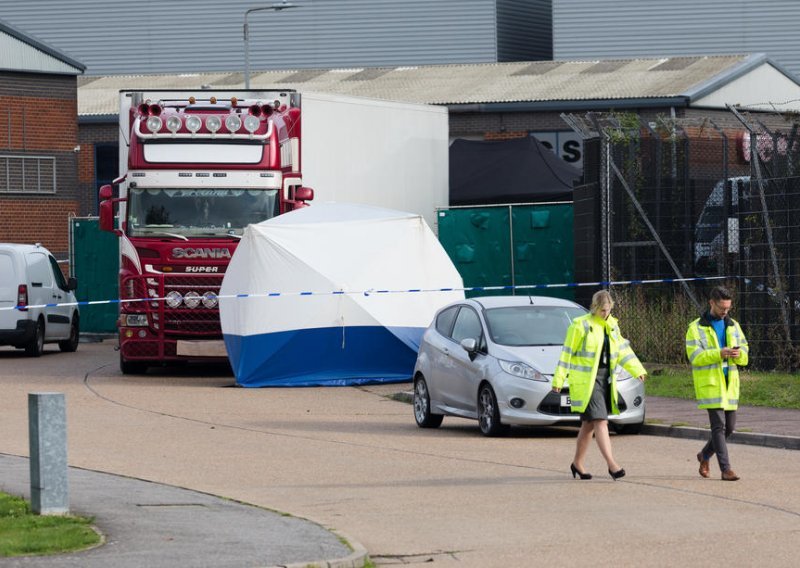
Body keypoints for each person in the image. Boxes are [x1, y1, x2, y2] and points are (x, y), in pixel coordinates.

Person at [552, 290, 646, 480]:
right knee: (601, 420)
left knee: (589, 424)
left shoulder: (612, 326)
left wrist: (638, 369)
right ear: (594, 308)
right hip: (587, 382)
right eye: (603, 310)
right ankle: (612, 465)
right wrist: (559, 380)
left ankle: (577, 463)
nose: (606, 314)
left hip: (605, 379)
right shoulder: (580, 326)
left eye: (608, 310)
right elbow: (566, 354)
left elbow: (623, 350)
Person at [686, 286, 748, 481]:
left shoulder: (733, 325)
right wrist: (719, 353)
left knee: (729, 427)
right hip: (711, 385)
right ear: (711, 303)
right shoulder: (695, 328)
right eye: (722, 308)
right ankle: (726, 469)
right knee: (719, 427)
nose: (725, 312)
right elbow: (694, 357)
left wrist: (739, 355)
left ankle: (704, 454)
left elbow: (745, 353)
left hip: (730, 386)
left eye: (728, 308)